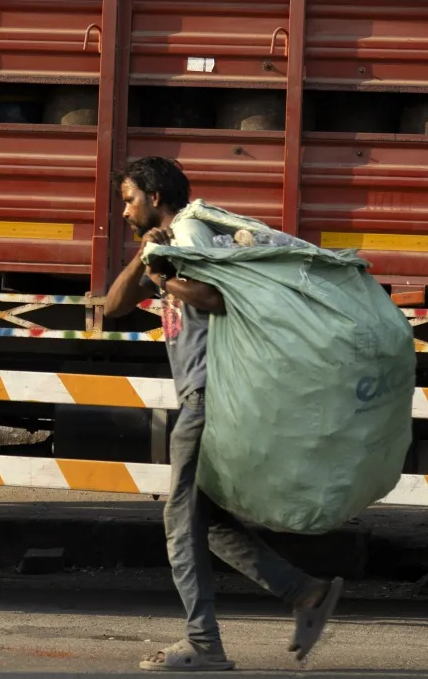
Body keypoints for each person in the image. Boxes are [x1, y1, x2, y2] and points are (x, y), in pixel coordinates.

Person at [98, 155, 343, 672]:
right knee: (203, 519)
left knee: (180, 521)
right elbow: (112, 306)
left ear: (155, 198)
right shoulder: (168, 247)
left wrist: (164, 275)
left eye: (128, 199)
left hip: (210, 398)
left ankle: (204, 643)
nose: (123, 211)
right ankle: (304, 592)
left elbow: (214, 297)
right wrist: (147, 260)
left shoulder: (192, 237)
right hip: (207, 398)